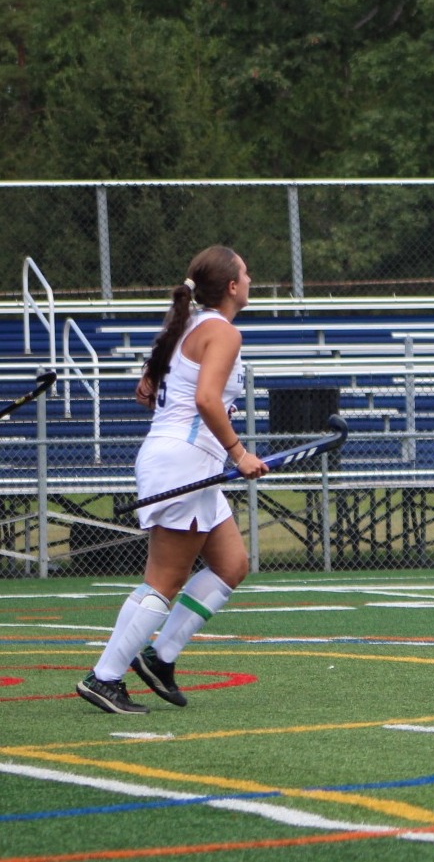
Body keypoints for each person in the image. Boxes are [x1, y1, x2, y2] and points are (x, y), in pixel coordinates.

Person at [76, 246, 268, 714]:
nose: (250, 278)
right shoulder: (222, 331)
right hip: (184, 462)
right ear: (231, 287)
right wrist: (239, 453)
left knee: (231, 565)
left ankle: (160, 658)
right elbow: (206, 399)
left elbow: (151, 388)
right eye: (245, 272)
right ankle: (104, 677)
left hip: (187, 461)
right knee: (164, 579)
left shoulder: (187, 324)